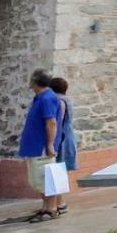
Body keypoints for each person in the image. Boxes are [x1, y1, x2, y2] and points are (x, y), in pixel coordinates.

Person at [19, 69, 61, 222]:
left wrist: (49, 144)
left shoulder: (47, 98)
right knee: (37, 179)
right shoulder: (41, 97)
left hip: (41, 146)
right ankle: (45, 206)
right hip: (34, 145)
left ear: (34, 82)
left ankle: (51, 208)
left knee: (45, 178)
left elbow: (51, 122)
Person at [49, 77, 77, 217]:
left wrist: (52, 143)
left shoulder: (59, 102)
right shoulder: (64, 99)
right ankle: (58, 202)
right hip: (66, 137)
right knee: (58, 170)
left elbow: (57, 124)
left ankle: (60, 203)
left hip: (62, 139)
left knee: (57, 170)